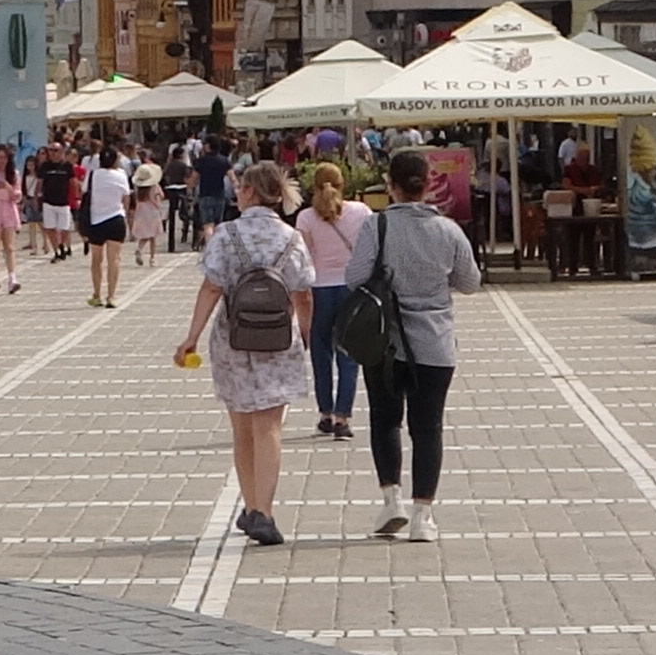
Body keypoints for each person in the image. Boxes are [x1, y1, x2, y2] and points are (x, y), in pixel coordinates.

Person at [344, 148, 480, 544]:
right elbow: (471, 282)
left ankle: (392, 501)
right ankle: (424, 516)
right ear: (428, 184)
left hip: (384, 342)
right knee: (428, 426)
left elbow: (354, 277)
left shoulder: (376, 227)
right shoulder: (449, 230)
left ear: (391, 186)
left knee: (385, 419)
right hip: (435, 342)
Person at [176, 161, 313, 548]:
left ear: (251, 191)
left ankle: (252, 505)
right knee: (269, 426)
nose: (236, 193)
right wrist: (304, 331)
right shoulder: (292, 237)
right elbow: (303, 292)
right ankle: (263, 512)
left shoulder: (226, 234)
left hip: (233, 339)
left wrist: (191, 337)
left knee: (242, 427)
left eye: (240, 188)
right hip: (277, 339)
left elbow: (211, 287)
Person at [294, 161, 374, 441]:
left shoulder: (305, 218)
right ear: (343, 184)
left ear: (313, 186)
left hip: (319, 289)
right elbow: (369, 250)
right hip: (352, 288)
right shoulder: (362, 212)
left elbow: (304, 257)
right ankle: (343, 418)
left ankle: (325, 414)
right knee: (349, 355)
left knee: (321, 354)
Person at [82, 147, 132, 306]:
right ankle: (111, 296)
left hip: (96, 220)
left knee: (96, 260)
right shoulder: (121, 175)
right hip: (116, 218)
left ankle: (97, 294)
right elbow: (126, 197)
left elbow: (84, 192)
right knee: (114, 259)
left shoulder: (93, 175)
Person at [0, 143, 27, 293]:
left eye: (4, 157)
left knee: (9, 246)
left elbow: (17, 196)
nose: (1, 160)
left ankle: (12, 277)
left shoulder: (14, 174)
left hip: (8, 209)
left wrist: (7, 186)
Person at [191, 136, 234, 245]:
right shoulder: (224, 160)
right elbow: (232, 177)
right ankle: (218, 245)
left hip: (205, 194)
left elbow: (194, 179)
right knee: (218, 223)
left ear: (208, 146)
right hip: (220, 194)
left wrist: (190, 190)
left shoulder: (201, 161)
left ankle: (210, 246)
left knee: (207, 224)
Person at [128, 156, 169, 265]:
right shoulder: (154, 186)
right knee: (153, 235)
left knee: (145, 233)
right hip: (152, 209)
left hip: (141, 209)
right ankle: (152, 258)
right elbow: (161, 195)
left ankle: (140, 249)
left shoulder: (139, 188)